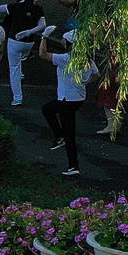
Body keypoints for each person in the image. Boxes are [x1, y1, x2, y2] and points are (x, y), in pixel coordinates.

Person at [40, 28, 86, 176]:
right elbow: (97, 75)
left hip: (67, 99)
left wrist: (44, 37)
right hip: (79, 98)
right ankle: (59, 136)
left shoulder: (65, 58)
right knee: (48, 109)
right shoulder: (86, 59)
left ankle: (73, 165)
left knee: (69, 134)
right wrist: (84, 82)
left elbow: (43, 54)